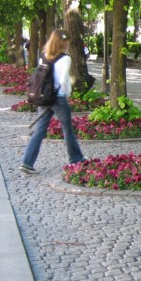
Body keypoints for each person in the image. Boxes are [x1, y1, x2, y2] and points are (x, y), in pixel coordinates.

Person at [20, 29, 87, 175]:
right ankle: (76, 159)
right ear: (63, 42)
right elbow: (63, 80)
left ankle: (27, 162)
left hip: (45, 97)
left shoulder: (43, 57)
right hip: (59, 98)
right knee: (67, 129)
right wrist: (68, 93)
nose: (69, 42)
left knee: (40, 130)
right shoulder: (65, 58)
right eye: (67, 40)